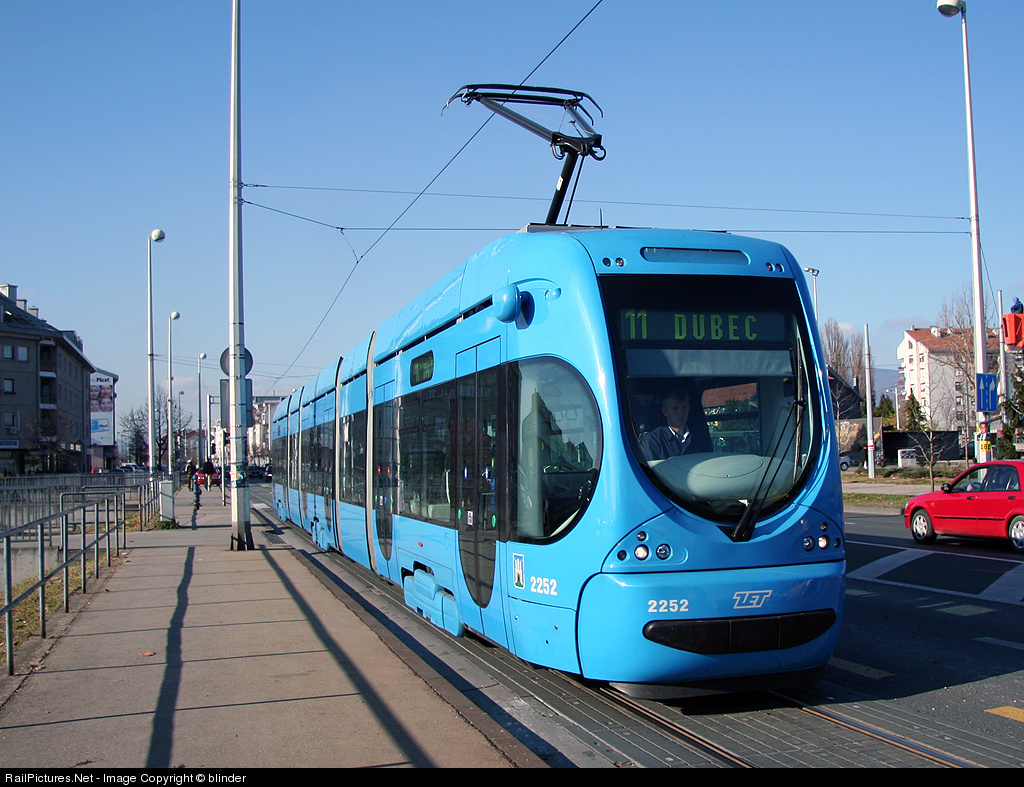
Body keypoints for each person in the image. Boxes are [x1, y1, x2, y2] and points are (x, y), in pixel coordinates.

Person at [641, 390, 693, 461]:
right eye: (675, 408)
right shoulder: (652, 441)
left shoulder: (699, 436)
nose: (681, 413)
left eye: (684, 407)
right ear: (665, 411)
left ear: (688, 408)